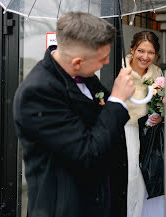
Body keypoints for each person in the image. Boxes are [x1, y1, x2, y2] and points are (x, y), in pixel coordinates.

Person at [13, 11, 135, 217]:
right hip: (68, 207)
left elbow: (100, 112)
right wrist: (117, 100)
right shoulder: (37, 93)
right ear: (77, 62)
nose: (106, 62)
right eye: (102, 58)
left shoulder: (84, 75)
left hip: (103, 200)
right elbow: (87, 152)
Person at [123, 31, 164, 217]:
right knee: (131, 176)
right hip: (127, 130)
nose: (145, 57)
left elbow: (161, 102)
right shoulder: (121, 69)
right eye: (141, 51)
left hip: (149, 132)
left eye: (151, 53)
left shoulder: (157, 72)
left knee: (148, 176)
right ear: (132, 49)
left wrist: (160, 116)